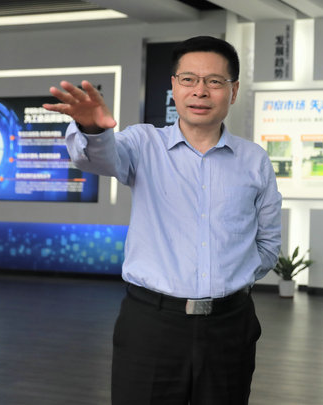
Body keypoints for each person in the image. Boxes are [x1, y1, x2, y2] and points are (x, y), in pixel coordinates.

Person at [44, 36, 282, 405]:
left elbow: (268, 242)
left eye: (214, 81)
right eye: (188, 79)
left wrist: (233, 282)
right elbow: (97, 159)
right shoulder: (143, 143)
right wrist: (92, 129)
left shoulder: (254, 160)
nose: (200, 91)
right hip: (151, 325)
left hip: (229, 327)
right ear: (174, 86)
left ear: (233, 91)